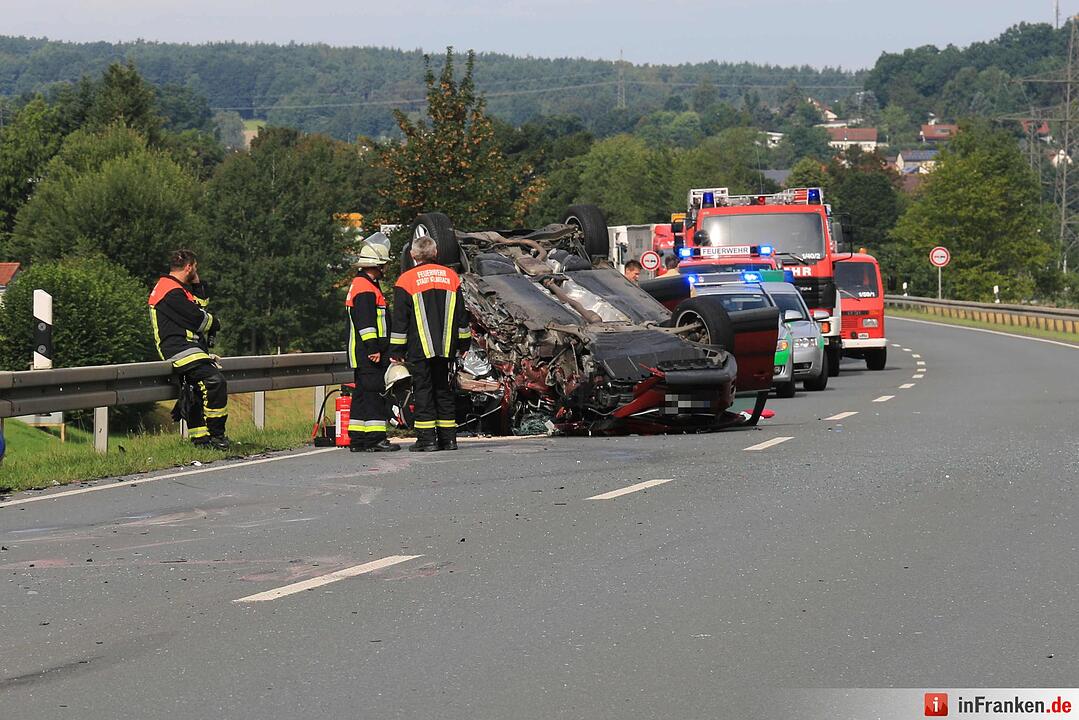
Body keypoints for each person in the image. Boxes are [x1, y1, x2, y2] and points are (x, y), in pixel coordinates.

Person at [389, 236, 471, 452]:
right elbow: (462, 316)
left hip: (419, 348)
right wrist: (464, 344)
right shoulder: (451, 277)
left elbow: (400, 320)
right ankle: (449, 439)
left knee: (423, 391)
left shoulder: (406, 280)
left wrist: (396, 350)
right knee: (443, 390)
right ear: (436, 253)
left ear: (413, 255)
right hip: (446, 347)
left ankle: (427, 441)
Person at [148, 250, 229, 450]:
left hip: (190, 348)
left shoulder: (178, 288)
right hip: (178, 348)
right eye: (195, 269)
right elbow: (198, 319)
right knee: (214, 382)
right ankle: (217, 436)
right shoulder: (169, 291)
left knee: (193, 390)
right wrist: (215, 323)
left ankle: (201, 440)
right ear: (189, 267)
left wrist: (197, 283)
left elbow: (200, 307)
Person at [345, 243, 399, 453]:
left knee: (362, 394)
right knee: (374, 394)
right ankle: (376, 438)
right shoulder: (366, 288)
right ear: (376, 265)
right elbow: (366, 322)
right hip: (369, 353)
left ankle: (358, 438)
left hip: (363, 352)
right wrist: (373, 348)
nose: (385, 269)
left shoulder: (362, 284)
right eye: (383, 265)